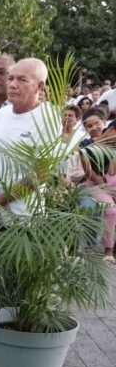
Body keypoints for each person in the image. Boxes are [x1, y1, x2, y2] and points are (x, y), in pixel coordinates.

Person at [0, 58, 54, 211]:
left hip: (22, 218)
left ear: (39, 86)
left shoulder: (48, 119)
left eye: (22, 80)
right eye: (10, 78)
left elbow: (40, 175)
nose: (12, 84)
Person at [74, 107, 116, 264]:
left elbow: (112, 170)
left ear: (104, 123)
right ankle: (108, 249)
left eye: (97, 123)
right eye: (89, 126)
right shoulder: (85, 144)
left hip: (109, 183)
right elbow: (89, 171)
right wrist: (106, 187)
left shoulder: (112, 143)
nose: (94, 127)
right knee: (111, 210)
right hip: (94, 183)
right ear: (85, 128)